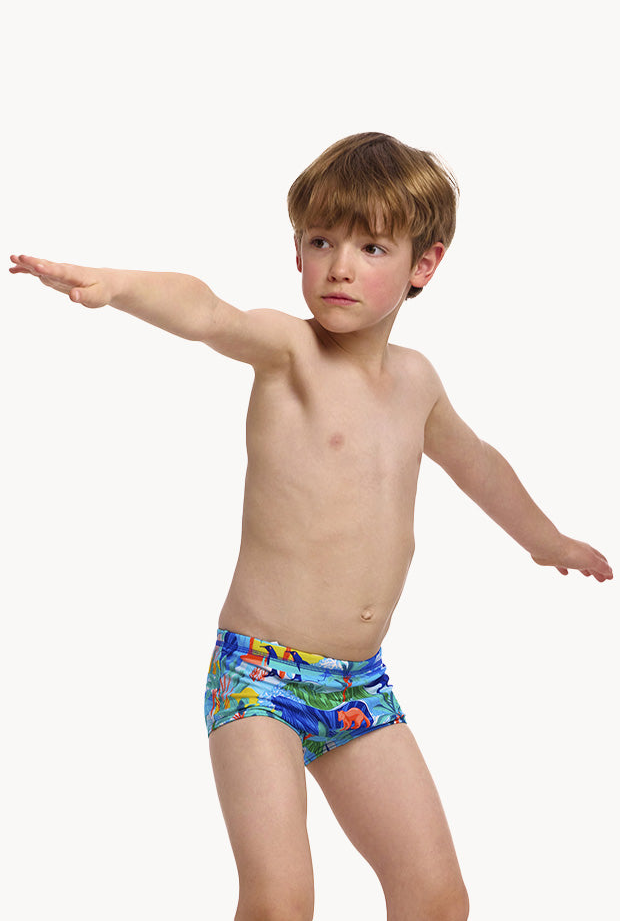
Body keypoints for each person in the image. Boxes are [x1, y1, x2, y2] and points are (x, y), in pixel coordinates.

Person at [9, 131, 612, 921]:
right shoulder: (289, 352)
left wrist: (546, 541)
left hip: (359, 685)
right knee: (280, 903)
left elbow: (478, 464)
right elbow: (207, 312)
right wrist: (118, 286)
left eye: (371, 247)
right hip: (260, 677)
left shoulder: (417, 383)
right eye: (321, 242)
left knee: (437, 900)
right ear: (297, 251)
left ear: (424, 265)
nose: (340, 267)